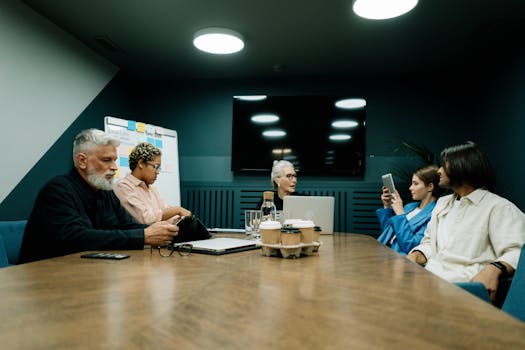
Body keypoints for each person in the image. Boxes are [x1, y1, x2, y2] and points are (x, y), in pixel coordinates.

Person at [18, 129, 179, 264]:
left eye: (115, 160)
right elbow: (77, 239)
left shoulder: (105, 192)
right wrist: (143, 236)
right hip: (45, 278)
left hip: (86, 271)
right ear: (82, 161)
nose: (114, 167)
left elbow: (127, 226)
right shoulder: (57, 190)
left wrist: (164, 232)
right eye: (106, 160)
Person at [407, 141, 525, 302]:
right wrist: (415, 255)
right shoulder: (443, 204)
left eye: (443, 165)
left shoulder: (499, 207)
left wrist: (494, 269)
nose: (439, 171)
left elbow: (518, 251)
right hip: (427, 282)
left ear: (462, 166)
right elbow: (429, 243)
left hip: (463, 290)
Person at [113, 142, 191, 224]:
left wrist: (179, 219)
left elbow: (166, 211)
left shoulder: (150, 189)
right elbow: (145, 219)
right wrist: (177, 210)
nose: (157, 172)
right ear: (141, 163)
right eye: (156, 167)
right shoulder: (123, 186)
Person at [376, 165, 440, 255]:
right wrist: (387, 206)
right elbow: (388, 233)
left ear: (430, 187)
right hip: (383, 250)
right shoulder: (409, 207)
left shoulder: (433, 214)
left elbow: (411, 247)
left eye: (416, 184)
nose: (410, 188)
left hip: (399, 259)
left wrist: (400, 213)